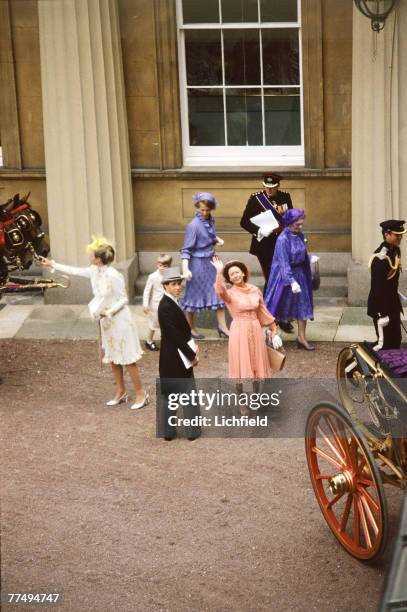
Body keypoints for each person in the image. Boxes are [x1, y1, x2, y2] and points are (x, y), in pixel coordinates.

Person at [40, 238, 148, 410]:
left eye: (91, 254)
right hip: (106, 321)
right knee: (113, 357)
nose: (89, 256)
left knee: (127, 358)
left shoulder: (114, 275)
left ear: (98, 258)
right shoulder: (94, 271)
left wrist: (110, 312)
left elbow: (123, 299)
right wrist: (52, 264)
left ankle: (141, 393)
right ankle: (121, 391)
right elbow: (74, 271)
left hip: (120, 320)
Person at [211, 256, 282, 380]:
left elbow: (263, 312)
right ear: (229, 279)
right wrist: (219, 272)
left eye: (237, 272)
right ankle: (241, 397)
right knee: (240, 362)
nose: (235, 276)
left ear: (243, 273)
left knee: (256, 361)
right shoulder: (229, 294)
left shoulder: (255, 290)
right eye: (231, 274)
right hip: (239, 330)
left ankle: (256, 395)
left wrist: (274, 330)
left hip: (255, 328)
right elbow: (220, 290)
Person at [240, 172, 293, 333]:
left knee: (284, 280)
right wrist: (260, 231)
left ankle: (283, 316)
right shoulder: (256, 199)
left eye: (273, 187)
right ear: (263, 185)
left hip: (282, 244)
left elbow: (290, 219)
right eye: (267, 187)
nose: (269, 191)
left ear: (278, 186)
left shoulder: (285, 197)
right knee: (271, 281)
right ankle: (270, 317)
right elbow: (244, 222)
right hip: (265, 246)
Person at [158, 266, 201, 441]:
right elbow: (175, 336)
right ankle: (191, 431)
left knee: (171, 396)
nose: (178, 287)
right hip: (176, 357)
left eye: (179, 284)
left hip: (171, 358)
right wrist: (192, 355)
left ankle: (170, 432)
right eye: (174, 284)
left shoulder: (170, 303)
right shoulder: (166, 306)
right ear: (165, 286)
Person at [264, 209, 315, 351]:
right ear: (289, 223)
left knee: (303, 304)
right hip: (283, 277)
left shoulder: (299, 235)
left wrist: (309, 258)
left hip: (300, 274)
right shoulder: (282, 239)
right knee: (278, 305)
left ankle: (301, 338)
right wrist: (291, 281)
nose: (300, 227)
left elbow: (301, 253)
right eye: (297, 224)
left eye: (301, 224)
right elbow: (283, 263)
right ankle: (271, 335)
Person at [180, 192, 229, 340]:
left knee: (219, 291)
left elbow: (208, 235)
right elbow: (186, 249)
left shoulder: (210, 220)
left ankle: (223, 327)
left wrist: (216, 239)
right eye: (202, 209)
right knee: (193, 296)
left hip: (211, 262)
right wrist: (185, 268)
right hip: (197, 265)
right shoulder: (193, 226)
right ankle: (190, 328)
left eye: (208, 209)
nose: (205, 212)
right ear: (197, 207)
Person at [367, 219, 405, 350]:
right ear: (386, 234)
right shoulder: (380, 257)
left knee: (396, 341)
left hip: (392, 303)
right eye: (397, 235)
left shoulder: (395, 250)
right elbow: (377, 287)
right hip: (381, 306)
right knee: (385, 345)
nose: (400, 238)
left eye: (401, 235)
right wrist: (381, 313)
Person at [142, 253, 172, 351]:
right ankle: (149, 341)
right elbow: (147, 291)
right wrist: (145, 304)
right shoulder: (152, 276)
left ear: (169, 266)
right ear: (157, 264)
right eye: (160, 265)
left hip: (167, 303)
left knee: (167, 323)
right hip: (156, 304)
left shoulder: (170, 275)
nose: (162, 268)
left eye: (165, 266)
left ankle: (166, 340)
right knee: (154, 324)